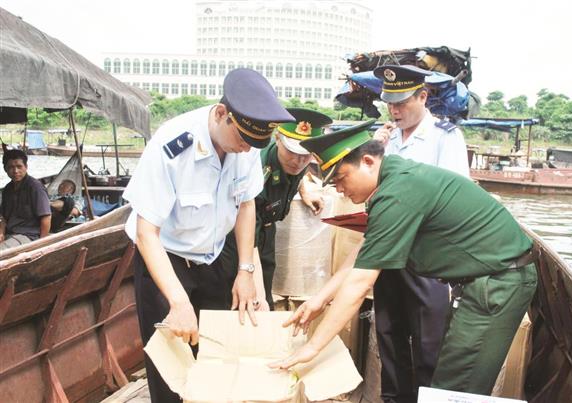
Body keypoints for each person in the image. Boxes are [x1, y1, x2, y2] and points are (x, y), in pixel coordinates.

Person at [270, 121, 537, 397]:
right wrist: (320, 298)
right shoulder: (393, 181)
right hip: (481, 281)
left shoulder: (398, 192)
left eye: (341, 179)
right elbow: (365, 250)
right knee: (449, 379)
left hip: (497, 284)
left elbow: (361, 283)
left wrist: (313, 347)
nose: (338, 189)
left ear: (368, 161)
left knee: (457, 387)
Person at [122, 68, 295, 403]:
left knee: (217, 354)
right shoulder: (172, 145)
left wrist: (246, 271)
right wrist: (177, 300)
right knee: (170, 366)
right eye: (243, 141)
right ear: (221, 114)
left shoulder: (245, 145)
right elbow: (146, 233)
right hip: (166, 259)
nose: (247, 151)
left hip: (214, 255)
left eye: (253, 144)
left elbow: (246, 205)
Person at [366, 64, 471, 402]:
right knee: (390, 337)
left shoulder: (445, 136)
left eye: (402, 103)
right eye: (389, 103)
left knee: (429, 345)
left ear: (423, 96)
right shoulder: (387, 139)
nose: (394, 111)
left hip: (428, 259)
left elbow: (457, 200)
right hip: (390, 252)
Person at [218, 108, 332, 310]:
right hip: (239, 235)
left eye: (305, 155)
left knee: (265, 287)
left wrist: (304, 191)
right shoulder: (259, 172)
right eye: (292, 152)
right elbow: (249, 237)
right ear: (277, 139)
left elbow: (298, 172)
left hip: (267, 229)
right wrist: (258, 294)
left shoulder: (297, 162)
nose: (298, 161)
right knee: (246, 300)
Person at [0, 149, 51, 250]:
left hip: (28, 236)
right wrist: (1, 233)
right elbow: (3, 218)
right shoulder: (7, 189)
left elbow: (46, 217)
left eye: (19, 166)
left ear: (26, 167)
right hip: (10, 233)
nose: (15, 171)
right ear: (5, 169)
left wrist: (41, 245)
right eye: (11, 167)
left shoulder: (35, 187)